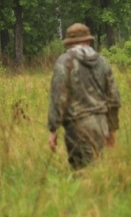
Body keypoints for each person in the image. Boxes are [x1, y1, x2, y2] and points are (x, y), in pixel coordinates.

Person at [48, 23, 121, 170]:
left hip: (77, 127)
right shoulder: (102, 62)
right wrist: (111, 129)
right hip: (101, 125)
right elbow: (114, 98)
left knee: (82, 172)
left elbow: (58, 96)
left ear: (69, 44)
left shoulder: (64, 62)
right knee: (99, 169)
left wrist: (53, 129)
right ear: (88, 41)